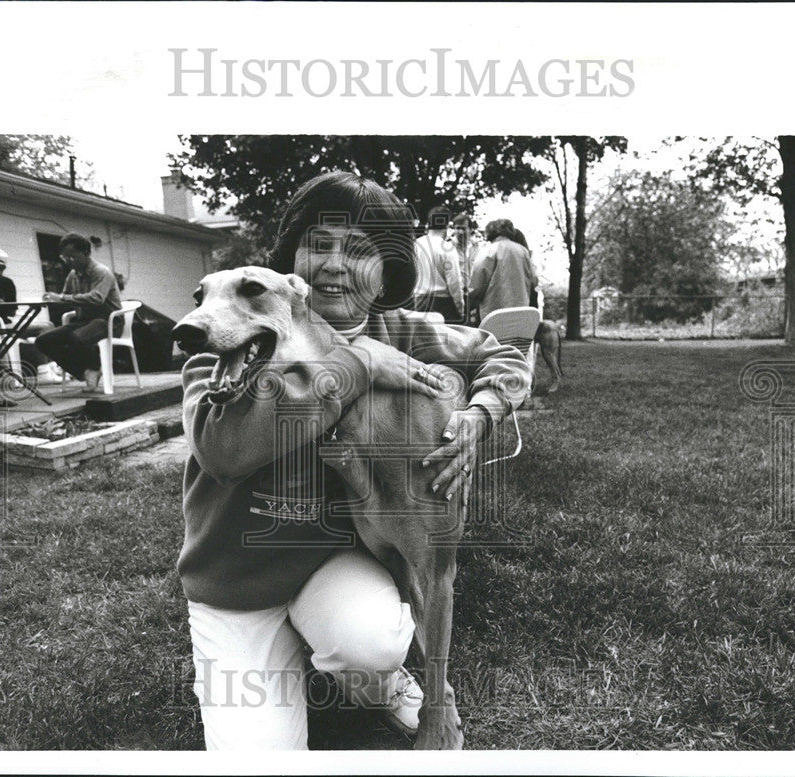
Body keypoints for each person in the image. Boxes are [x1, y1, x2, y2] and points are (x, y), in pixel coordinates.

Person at [178, 171, 531, 750]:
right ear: (292, 263)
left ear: (390, 270)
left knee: (371, 643)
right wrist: (358, 364)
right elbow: (224, 450)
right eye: (319, 245)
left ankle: (381, 682)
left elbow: (504, 358)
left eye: (362, 251)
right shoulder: (231, 340)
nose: (336, 266)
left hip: (334, 567)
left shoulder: (413, 335)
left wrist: (480, 416)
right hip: (237, 582)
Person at [35, 233, 122, 392]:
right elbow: (66, 298)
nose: (68, 261)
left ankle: (94, 367)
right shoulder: (73, 275)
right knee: (43, 340)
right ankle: (85, 371)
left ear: (86, 253)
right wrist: (50, 301)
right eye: (65, 257)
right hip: (84, 320)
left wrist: (61, 298)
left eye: (72, 257)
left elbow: (97, 298)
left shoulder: (101, 271)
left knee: (76, 337)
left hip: (109, 321)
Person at [468, 219, 538, 320]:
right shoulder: (523, 252)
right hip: (521, 313)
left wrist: (468, 306)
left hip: (493, 315)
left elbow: (476, 286)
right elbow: (534, 281)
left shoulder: (488, 251)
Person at [412, 206, 464, 323]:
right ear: (446, 226)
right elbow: (454, 282)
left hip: (419, 301)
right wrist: (460, 307)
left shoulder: (416, 245)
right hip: (442, 303)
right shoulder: (447, 248)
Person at [451, 213, 481, 324]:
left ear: (470, 230)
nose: (460, 232)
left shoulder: (477, 247)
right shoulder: (449, 247)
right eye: (457, 228)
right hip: (457, 295)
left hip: (474, 296)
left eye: (463, 228)